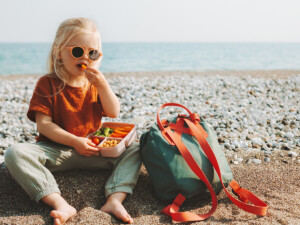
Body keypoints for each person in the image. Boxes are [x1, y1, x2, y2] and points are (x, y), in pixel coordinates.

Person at [4, 17, 141, 225]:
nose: (85, 57)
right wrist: (75, 141)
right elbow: (44, 125)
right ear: (59, 52)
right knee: (14, 153)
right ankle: (59, 203)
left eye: (92, 53)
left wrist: (103, 85)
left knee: (136, 148)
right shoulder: (48, 83)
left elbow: (114, 112)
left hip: (93, 150)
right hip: (55, 151)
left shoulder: (94, 84)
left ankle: (115, 199)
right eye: (78, 51)